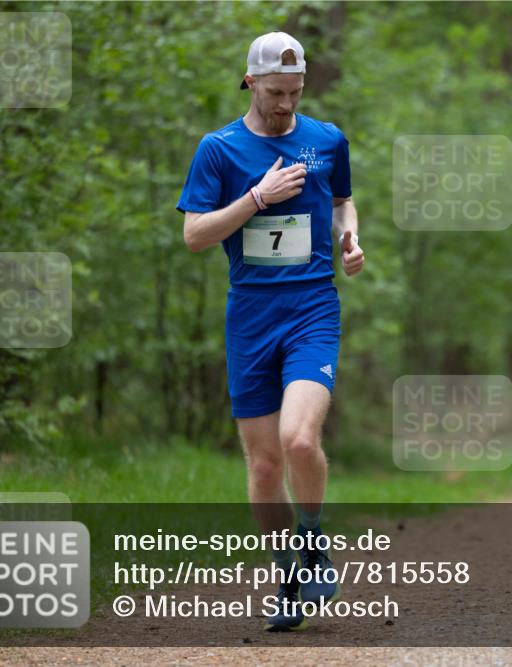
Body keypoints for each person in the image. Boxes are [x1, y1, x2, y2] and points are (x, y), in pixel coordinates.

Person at [176, 32, 364, 632]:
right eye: (275, 92)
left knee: (299, 441)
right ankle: (288, 577)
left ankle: (312, 544)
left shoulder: (327, 139)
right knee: (262, 466)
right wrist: (257, 197)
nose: (285, 104)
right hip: (250, 316)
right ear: (250, 82)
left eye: (295, 92)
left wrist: (349, 237)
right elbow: (194, 235)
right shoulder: (218, 150)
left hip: (312, 308)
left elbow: (342, 201)